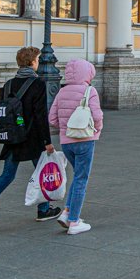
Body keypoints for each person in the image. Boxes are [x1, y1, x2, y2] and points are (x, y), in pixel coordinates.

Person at [0, 46, 60, 236]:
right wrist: (47, 141)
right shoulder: (38, 85)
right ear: (33, 62)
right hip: (33, 139)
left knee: (6, 177)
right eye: (38, 60)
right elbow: (40, 115)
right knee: (42, 173)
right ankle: (44, 210)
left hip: (13, 138)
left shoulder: (8, 84)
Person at [47, 59, 103, 235]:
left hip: (66, 142)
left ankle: (66, 213)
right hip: (85, 140)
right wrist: (97, 129)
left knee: (77, 176)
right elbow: (97, 115)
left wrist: (64, 129)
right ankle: (74, 222)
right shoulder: (90, 91)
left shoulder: (61, 92)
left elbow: (52, 119)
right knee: (81, 179)